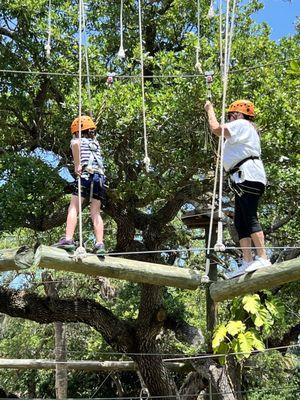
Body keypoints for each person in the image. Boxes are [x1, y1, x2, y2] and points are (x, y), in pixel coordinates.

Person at [204, 99, 271, 278]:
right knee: (240, 221)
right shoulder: (242, 130)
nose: (231, 117)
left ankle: (263, 257)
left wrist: (210, 109)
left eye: (233, 114)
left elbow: (216, 128)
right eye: (229, 115)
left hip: (248, 174)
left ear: (241, 115)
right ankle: (248, 261)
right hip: (241, 177)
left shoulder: (242, 124)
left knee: (249, 217)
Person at [54, 115, 106, 256]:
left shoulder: (77, 140)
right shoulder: (96, 144)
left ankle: (68, 239)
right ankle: (100, 244)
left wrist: (77, 164)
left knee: (74, 207)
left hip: (85, 175)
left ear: (77, 131)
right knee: (95, 211)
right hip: (100, 177)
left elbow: (75, 144)